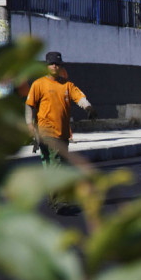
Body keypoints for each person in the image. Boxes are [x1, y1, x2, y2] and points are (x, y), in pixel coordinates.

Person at [26, 51, 97, 215]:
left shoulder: (67, 85)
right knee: (57, 166)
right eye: (52, 64)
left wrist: (89, 108)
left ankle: (54, 201)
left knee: (54, 168)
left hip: (63, 134)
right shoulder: (39, 84)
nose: (54, 66)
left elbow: (79, 97)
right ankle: (60, 202)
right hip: (46, 132)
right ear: (47, 66)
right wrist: (30, 126)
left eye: (57, 64)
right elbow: (29, 105)